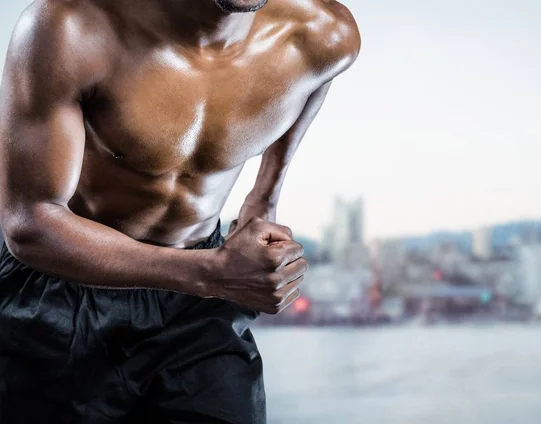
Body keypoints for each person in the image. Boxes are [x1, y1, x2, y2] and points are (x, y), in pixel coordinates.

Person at [0, 0, 360, 422]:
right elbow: (30, 224)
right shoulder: (71, 28)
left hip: (197, 304)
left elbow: (317, 76)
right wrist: (213, 273)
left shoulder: (324, 35)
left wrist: (264, 195)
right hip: (62, 297)